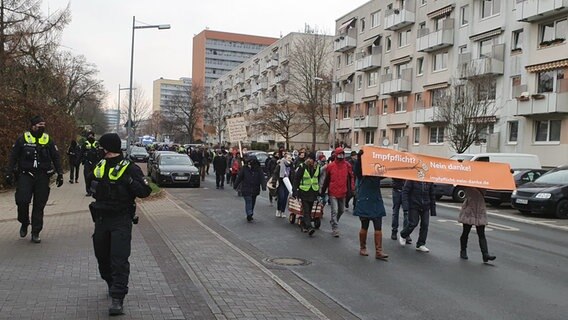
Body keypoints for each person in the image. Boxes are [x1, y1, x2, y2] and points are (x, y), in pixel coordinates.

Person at [86, 133, 151, 316]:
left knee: (119, 259)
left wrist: (129, 182)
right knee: (102, 257)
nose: (99, 149)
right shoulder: (100, 165)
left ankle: (117, 298)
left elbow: (145, 191)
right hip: (101, 219)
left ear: (107, 148)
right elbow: (89, 183)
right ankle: (110, 282)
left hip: (121, 219)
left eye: (101, 147)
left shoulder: (129, 168)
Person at [6, 115, 63, 243]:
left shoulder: (48, 139)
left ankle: (36, 232)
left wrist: (60, 174)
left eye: (43, 125)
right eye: (39, 125)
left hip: (42, 176)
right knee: (22, 200)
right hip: (26, 175)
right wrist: (8, 173)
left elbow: (56, 157)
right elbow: (13, 157)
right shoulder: (23, 139)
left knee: (39, 205)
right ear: (33, 126)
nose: (42, 127)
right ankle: (24, 221)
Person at [353, 150, 388, 259]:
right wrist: (359, 158)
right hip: (365, 201)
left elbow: (388, 171)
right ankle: (362, 248)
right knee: (365, 226)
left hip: (376, 201)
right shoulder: (362, 172)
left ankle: (379, 251)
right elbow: (357, 170)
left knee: (378, 227)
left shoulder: (377, 172)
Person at [321, 147, 353, 237]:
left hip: (343, 191)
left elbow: (351, 177)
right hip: (333, 191)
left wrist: (352, 188)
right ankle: (335, 228)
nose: (341, 155)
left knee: (341, 210)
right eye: (339, 154)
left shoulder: (347, 165)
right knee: (334, 210)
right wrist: (323, 191)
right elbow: (327, 180)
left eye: (342, 154)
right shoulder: (331, 166)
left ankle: (334, 221)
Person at [458, 187, 496, 263]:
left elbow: (484, 194)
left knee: (481, 233)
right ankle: (463, 250)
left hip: (479, 210)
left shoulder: (483, 184)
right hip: (469, 209)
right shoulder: (469, 183)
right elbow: (467, 193)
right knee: (466, 231)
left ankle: (485, 254)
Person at [399, 180, 437, 252]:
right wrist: (405, 206)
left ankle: (420, 244)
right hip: (414, 204)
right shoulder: (412, 179)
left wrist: (433, 209)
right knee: (413, 223)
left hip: (426, 205)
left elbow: (432, 194)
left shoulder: (429, 180)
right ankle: (403, 234)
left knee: (425, 225)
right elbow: (405, 192)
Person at [292, 152, 320, 236]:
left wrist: (319, 191)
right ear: (308, 159)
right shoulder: (302, 167)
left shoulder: (317, 167)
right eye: (311, 159)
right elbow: (296, 179)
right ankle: (309, 227)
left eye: (313, 160)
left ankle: (303, 224)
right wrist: (295, 191)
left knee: (309, 210)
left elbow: (317, 179)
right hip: (304, 191)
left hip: (313, 192)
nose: (312, 161)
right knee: (307, 211)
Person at [234, 157, 266, 222]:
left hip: (255, 188)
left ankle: (250, 213)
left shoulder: (258, 169)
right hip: (246, 188)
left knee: (253, 201)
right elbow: (239, 177)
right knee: (248, 201)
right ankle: (249, 213)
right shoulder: (244, 168)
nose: (249, 164)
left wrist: (263, 186)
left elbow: (262, 178)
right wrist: (235, 185)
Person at [390, 178, 411, 244]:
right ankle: (394, 231)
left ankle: (406, 234)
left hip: (406, 191)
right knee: (395, 212)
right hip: (397, 190)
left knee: (406, 213)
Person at [275, 153, 293, 218]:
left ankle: (282, 211)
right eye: (288, 158)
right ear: (285, 158)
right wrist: (276, 180)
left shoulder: (291, 165)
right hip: (281, 182)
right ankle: (278, 209)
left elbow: (292, 174)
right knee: (281, 197)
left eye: (290, 158)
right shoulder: (280, 164)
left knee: (285, 198)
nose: (290, 159)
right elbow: (276, 173)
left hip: (288, 183)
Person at [81, 131, 99, 196]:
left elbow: (100, 153)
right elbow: (81, 153)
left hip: (95, 163)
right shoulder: (85, 144)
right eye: (89, 135)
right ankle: (88, 191)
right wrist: (82, 160)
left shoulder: (97, 144)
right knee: (87, 176)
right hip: (87, 162)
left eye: (92, 135)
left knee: (95, 177)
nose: (90, 136)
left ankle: (94, 190)